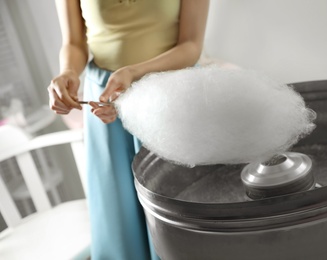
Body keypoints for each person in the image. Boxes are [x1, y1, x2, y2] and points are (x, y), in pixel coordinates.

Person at [47, 0, 209, 259]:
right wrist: (68, 72)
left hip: (172, 95)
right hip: (105, 96)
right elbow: (75, 43)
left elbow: (190, 45)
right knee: (118, 216)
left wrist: (135, 72)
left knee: (177, 214)